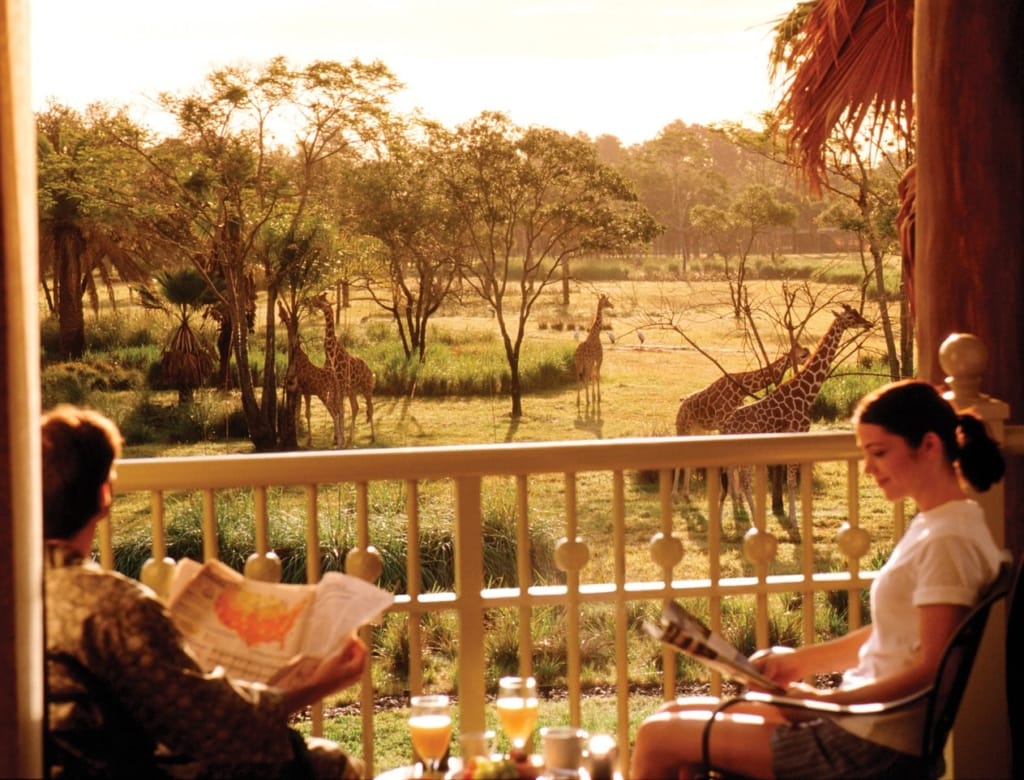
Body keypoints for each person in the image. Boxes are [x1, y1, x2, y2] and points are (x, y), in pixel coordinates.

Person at [629, 379, 1007, 780]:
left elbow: (933, 669)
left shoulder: (948, 540)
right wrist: (798, 663)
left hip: (870, 747)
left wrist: (824, 702)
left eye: (879, 452)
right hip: (859, 727)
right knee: (672, 714)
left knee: (658, 736)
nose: (868, 468)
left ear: (929, 446)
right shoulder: (942, 523)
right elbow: (896, 634)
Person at [42, 404, 368, 779]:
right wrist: (313, 686)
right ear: (104, 495)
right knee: (326, 763)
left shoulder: (19, 591)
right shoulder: (113, 607)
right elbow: (218, 731)